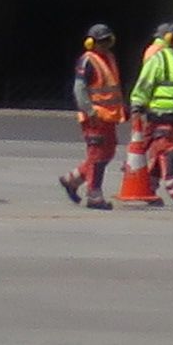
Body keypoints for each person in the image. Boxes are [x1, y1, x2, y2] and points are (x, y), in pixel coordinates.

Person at [129, 24, 173, 208]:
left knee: (159, 155)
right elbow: (145, 83)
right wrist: (138, 103)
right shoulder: (159, 59)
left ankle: (148, 190)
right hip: (161, 116)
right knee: (171, 154)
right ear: (170, 39)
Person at [63, 22, 125, 207]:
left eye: (107, 40)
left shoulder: (110, 58)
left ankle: (72, 180)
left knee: (107, 153)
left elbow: (112, 87)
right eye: (101, 41)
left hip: (109, 117)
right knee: (97, 155)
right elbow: (79, 89)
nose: (105, 44)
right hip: (94, 118)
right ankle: (94, 194)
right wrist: (90, 111)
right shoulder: (88, 60)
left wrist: (122, 107)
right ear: (91, 43)